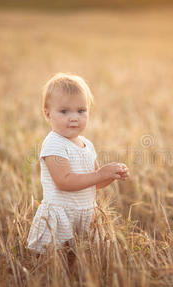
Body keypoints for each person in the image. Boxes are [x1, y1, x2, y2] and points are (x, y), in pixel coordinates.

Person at [27, 72, 130, 254]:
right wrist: (100, 174)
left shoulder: (86, 144)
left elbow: (95, 183)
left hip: (86, 214)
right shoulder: (54, 143)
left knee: (82, 262)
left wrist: (110, 175)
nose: (74, 117)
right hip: (61, 215)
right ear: (48, 114)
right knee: (55, 262)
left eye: (81, 111)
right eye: (64, 111)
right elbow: (64, 181)